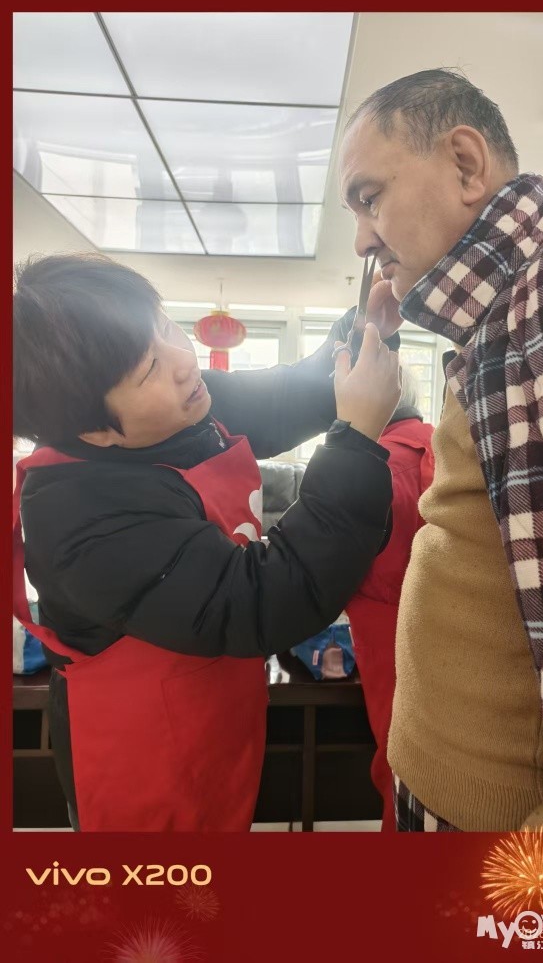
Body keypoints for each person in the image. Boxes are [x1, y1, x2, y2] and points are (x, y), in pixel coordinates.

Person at [12, 252, 401, 832]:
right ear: (92, 428)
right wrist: (356, 443)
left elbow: (283, 398)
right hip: (140, 758)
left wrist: (362, 331)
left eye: (164, 327)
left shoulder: (178, 408)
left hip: (214, 714)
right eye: (149, 367)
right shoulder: (78, 513)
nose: (184, 360)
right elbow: (259, 600)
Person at [339, 69, 543, 832]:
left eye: (370, 197)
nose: (363, 240)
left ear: (466, 164)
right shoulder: (500, 324)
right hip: (448, 797)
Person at [345, 367, 434, 830]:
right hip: (461, 639)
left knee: (400, 775)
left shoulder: (366, 467)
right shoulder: (450, 448)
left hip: (389, 648)